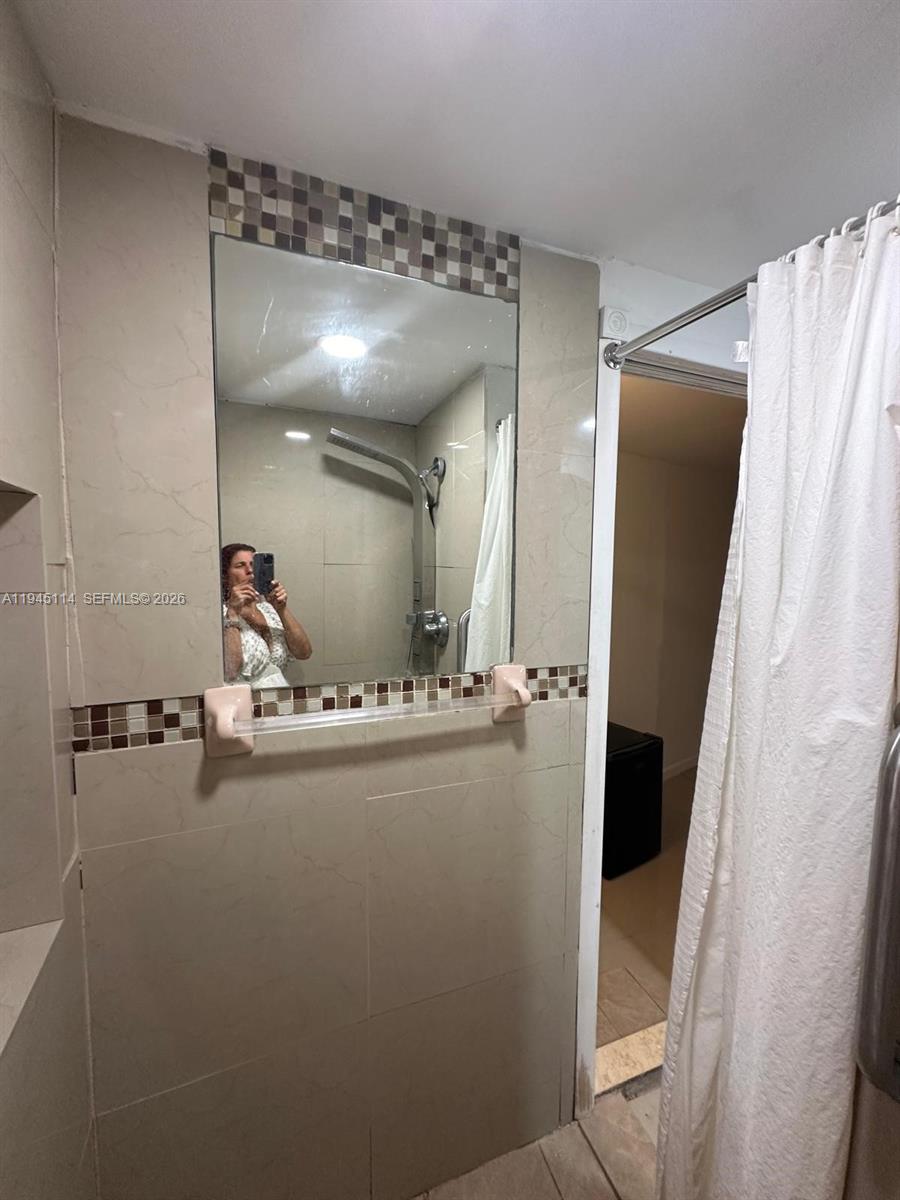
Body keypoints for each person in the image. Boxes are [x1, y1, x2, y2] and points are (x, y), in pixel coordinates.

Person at [221, 543, 312, 687]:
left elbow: (304, 653)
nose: (250, 570)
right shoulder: (219, 614)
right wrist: (232, 612)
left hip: (277, 697)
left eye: (253, 564)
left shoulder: (268, 610)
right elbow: (230, 672)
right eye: (240, 565)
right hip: (240, 698)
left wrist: (281, 609)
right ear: (225, 576)